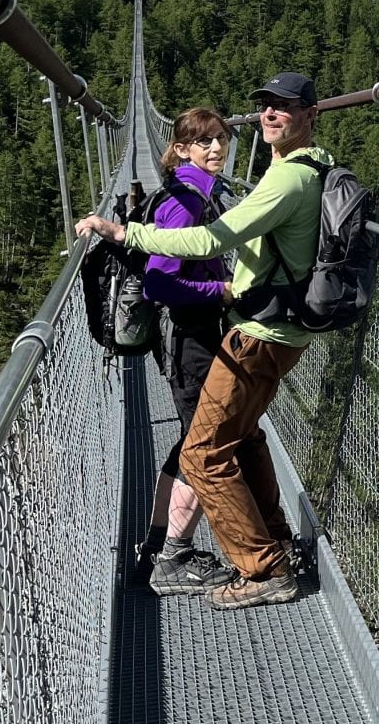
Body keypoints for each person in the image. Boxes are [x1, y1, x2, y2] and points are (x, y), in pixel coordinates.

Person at [75, 71, 332, 610]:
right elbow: (168, 273)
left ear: (311, 114)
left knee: (204, 453)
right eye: (264, 105)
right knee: (239, 438)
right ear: (180, 148)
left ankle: (260, 567)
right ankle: (264, 543)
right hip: (256, 331)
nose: (269, 114)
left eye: (285, 106)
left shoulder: (282, 180)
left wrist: (126, 232)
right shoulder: (308, 168)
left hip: (257, 333)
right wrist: (220, 286)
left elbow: (212, 240)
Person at [128, 108, 235, 596]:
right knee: (202, 442)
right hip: (187, 338)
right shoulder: (186, 202)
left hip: (186, 335)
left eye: (221, 139)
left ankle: (157, 543)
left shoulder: (193, 191)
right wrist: (222, 291)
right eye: (204, 141)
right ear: (182, 149)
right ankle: (174, 557)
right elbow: (158, 282)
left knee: (192, 438)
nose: (216, 148)